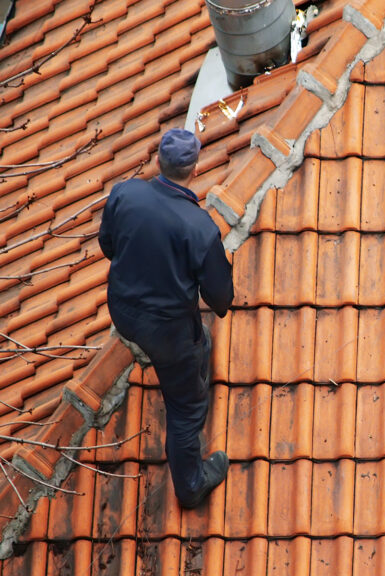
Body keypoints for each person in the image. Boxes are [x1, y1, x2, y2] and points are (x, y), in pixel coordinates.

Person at [98, 129, 234, 508]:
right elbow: (220, 299)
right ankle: (190, 485)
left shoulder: (125, 193)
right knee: (187, 407)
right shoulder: (200, 228)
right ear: (194, 170)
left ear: (158, 161)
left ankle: (147, 351)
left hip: (124, 313)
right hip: (169, 334)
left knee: (196, 340)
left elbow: (108, 245)